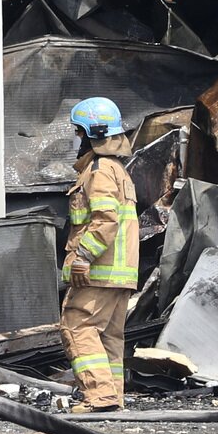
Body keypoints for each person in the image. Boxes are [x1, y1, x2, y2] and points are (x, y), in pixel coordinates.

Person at [60, 97, 140, 413]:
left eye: (79, 133)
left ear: (93, 134)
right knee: (108, 338)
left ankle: (100, 396)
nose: (77, 140)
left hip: (98, 272)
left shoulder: (100, 171)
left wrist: (82, 256)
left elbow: (105, 219)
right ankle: (112, 397)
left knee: (77, 326)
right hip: (120, 275)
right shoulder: (117, 170)